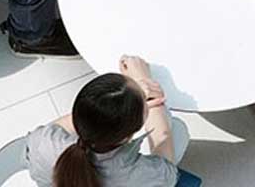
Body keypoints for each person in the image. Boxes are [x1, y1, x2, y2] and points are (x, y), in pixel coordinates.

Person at [25, 55, 190, 187]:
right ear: (128, 136)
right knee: (179, 130)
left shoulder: (44, 143)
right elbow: (168, 173)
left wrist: (134, 95)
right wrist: (149, 88)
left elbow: (71, 122)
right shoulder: (137, 176)